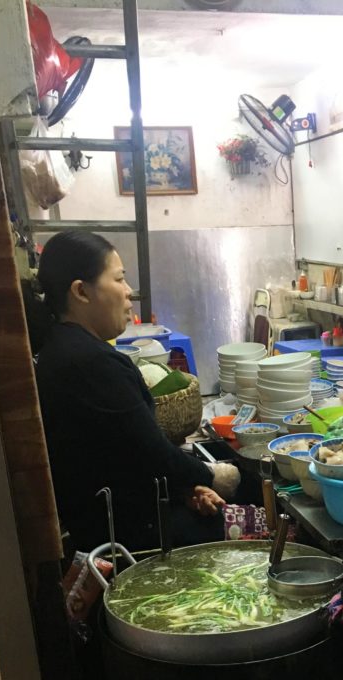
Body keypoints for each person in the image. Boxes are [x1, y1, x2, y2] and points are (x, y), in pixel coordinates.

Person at [26, 230, 239, 553]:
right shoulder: (89, 362)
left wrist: (186, 488)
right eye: (119, 279)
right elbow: (152, 451)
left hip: (119, 521)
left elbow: (124, 453)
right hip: (126, 540)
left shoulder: (65, 348)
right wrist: (212, 476)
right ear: (81, 291)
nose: (129, 292)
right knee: (250, 521)